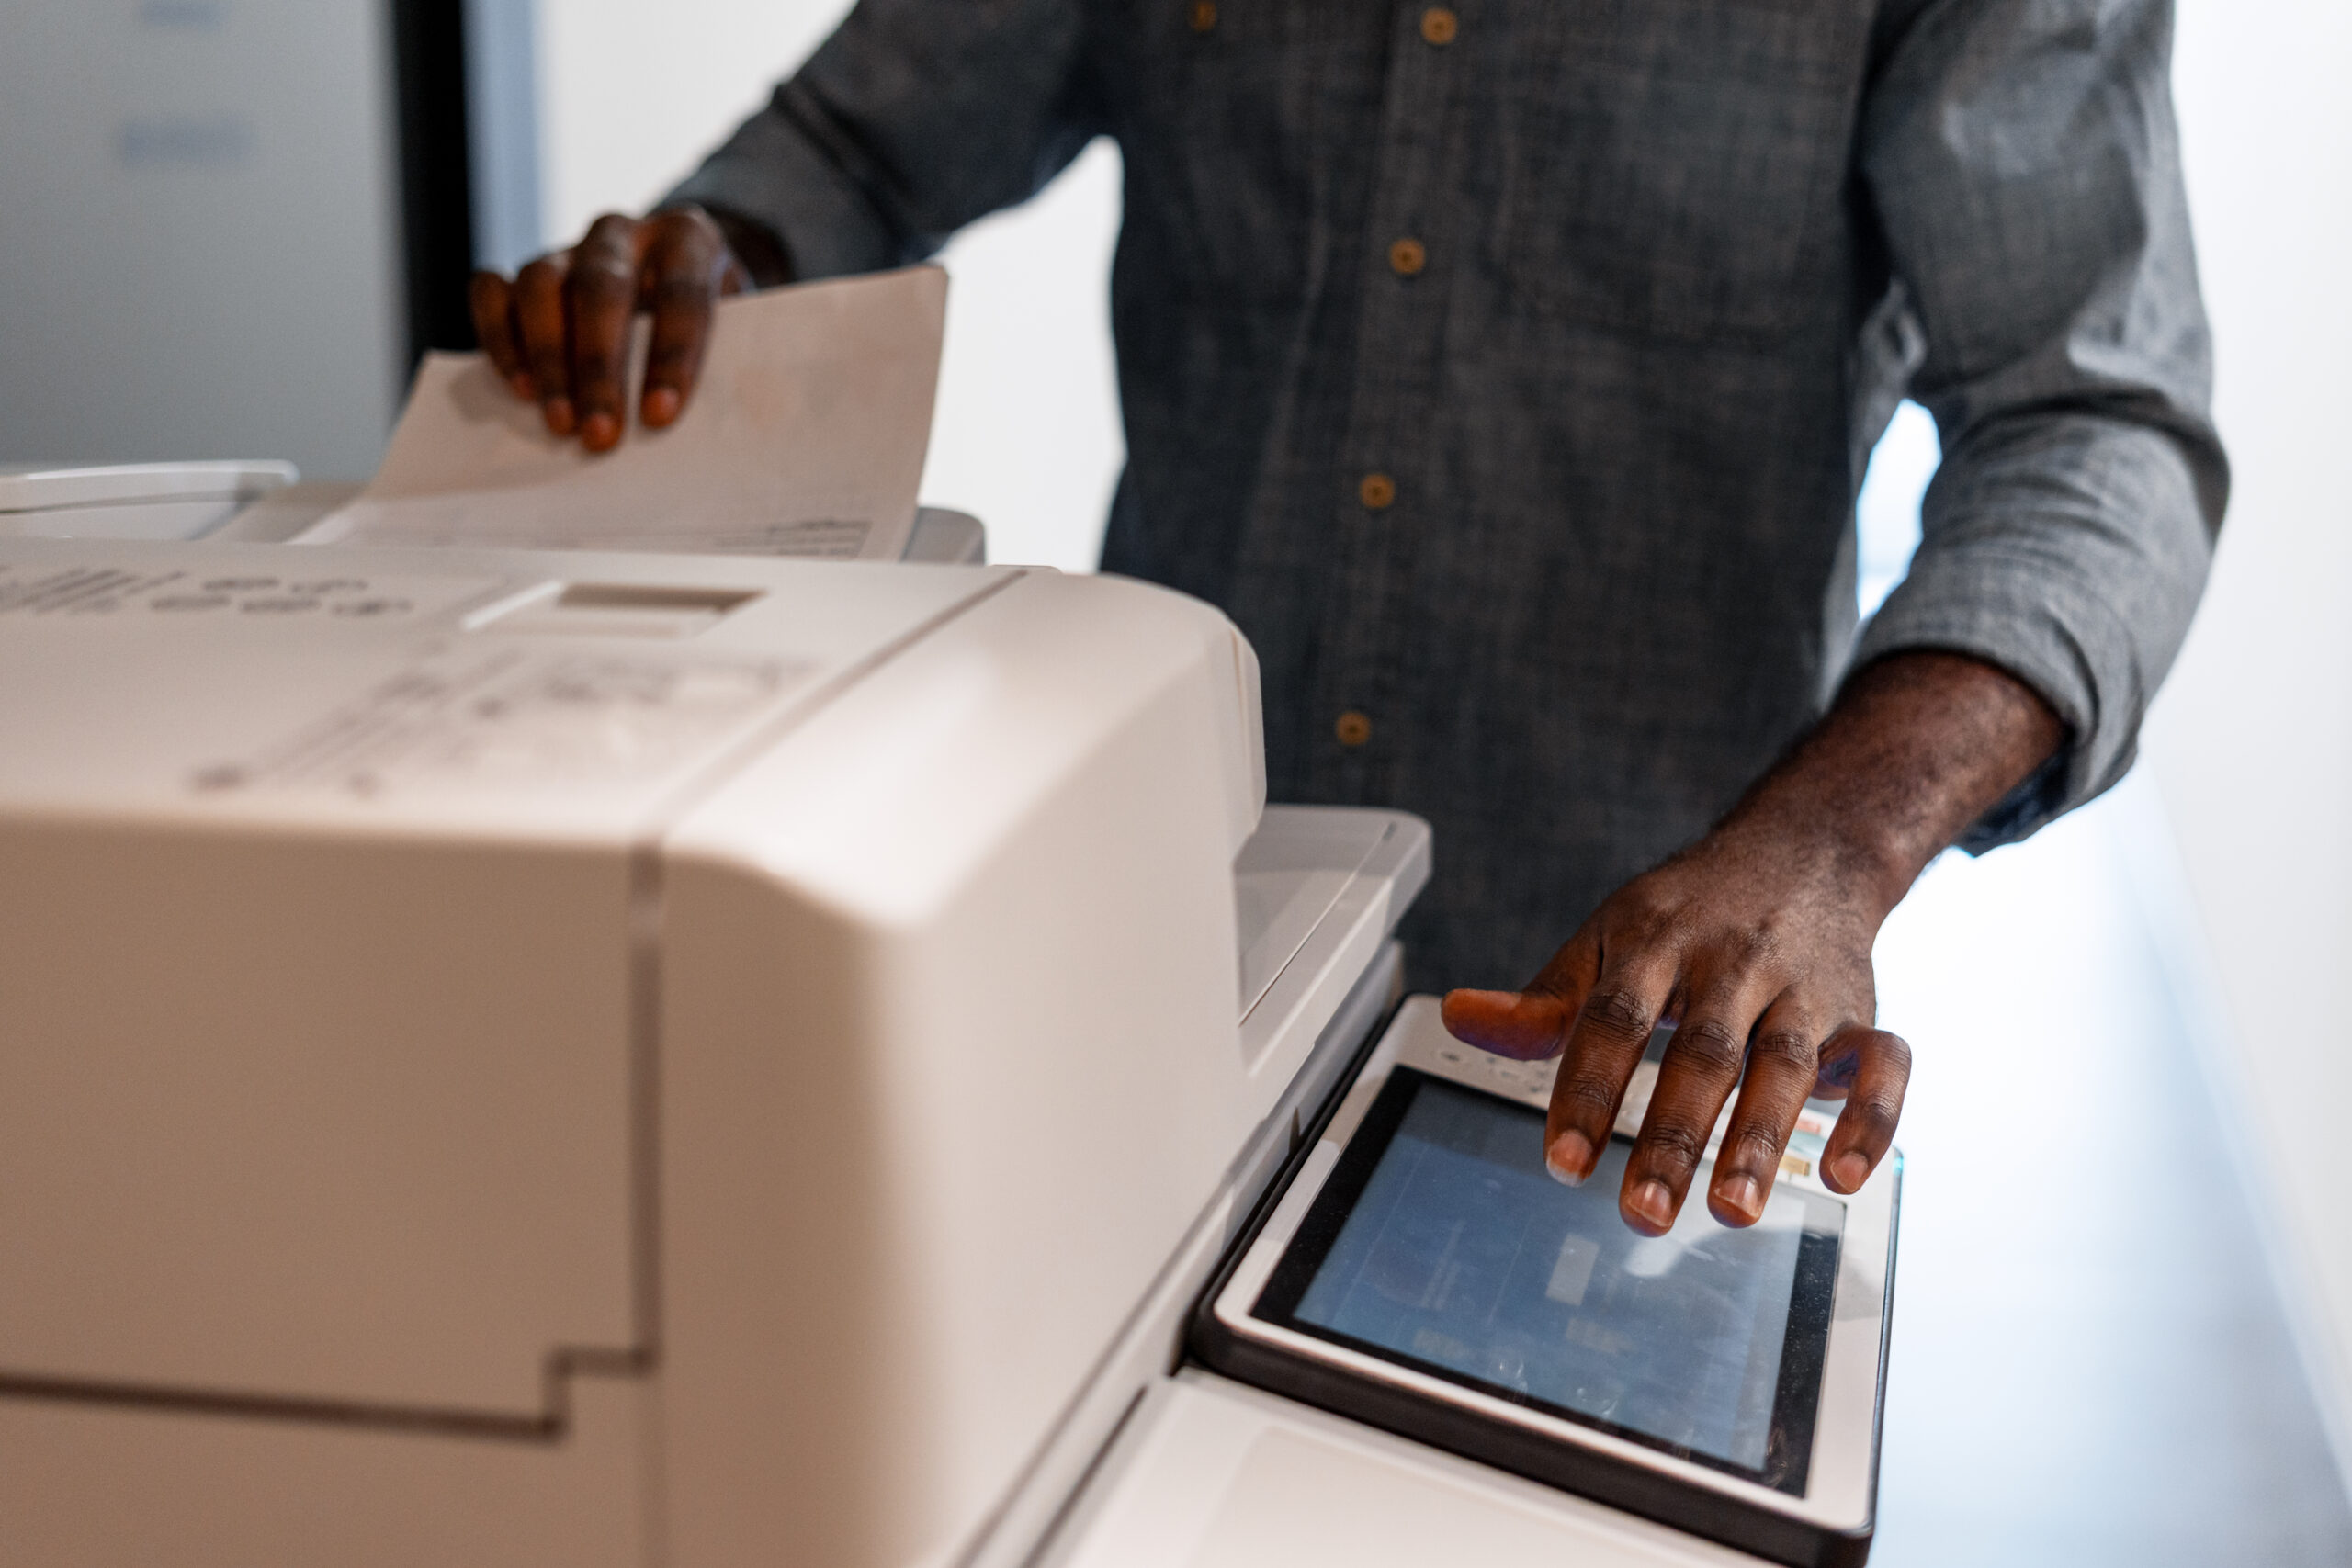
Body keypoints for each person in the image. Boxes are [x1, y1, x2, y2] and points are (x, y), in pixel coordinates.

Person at [469, 0, 2222, 1239]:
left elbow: (2095, 423)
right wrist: (720, 250)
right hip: (1157, 955)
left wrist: (1831, 852)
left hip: (1626, 1044)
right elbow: (855, 141)